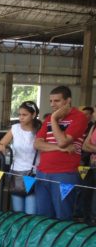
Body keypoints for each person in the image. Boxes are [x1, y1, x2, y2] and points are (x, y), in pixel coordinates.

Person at [34, 86, 88, 220]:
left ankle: (62, 241)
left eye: (56, 101)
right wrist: (59, 148)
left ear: (68, 100)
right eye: (51, 101)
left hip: (64, 174)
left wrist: (53, 119)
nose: (52, 104)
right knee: (43, 216)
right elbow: (37, 144)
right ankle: (45, 241)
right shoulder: (48, 119)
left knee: (63, 216)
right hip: (42, 172)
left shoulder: (79, 117)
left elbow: (63, 141)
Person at [0, 101, 40, 215]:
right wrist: (1, 147)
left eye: (24, 115)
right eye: (19, 114)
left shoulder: (40, 130)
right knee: (17, 212)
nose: (21, 117)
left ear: (33, 115)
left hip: (35, 173)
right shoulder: (15, 128)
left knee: (31, 212)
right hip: (16, 172)